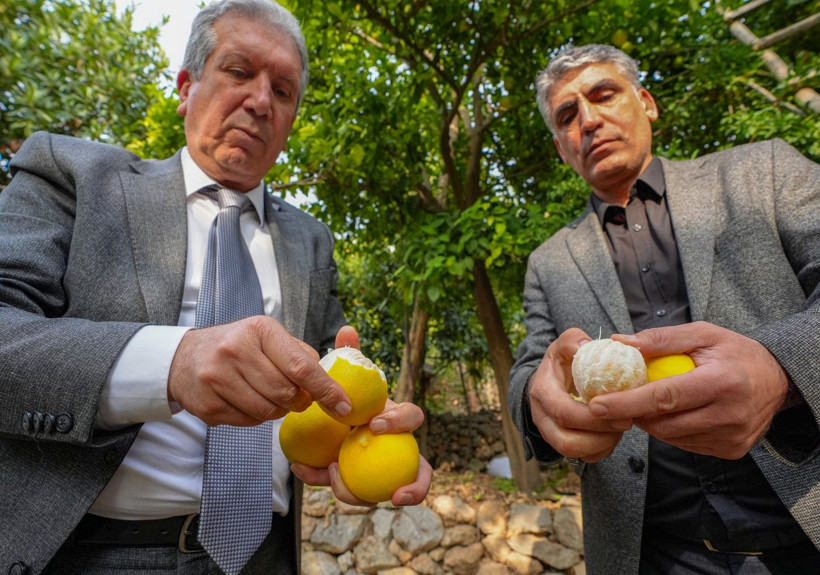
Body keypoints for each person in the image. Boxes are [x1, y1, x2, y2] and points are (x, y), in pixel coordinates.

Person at [0, 1, 431, 574]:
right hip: (91, 553)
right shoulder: (73, 174)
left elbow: (334, 379)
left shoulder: (310, 239)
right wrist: (172, 363)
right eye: (237, 71)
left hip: (264, 556)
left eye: (283, 91)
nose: (259, 100)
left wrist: (376, 431)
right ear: (185, 86)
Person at [508, 44, 820, 575]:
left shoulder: (763, 170)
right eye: (567, 115)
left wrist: (782, 371)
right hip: (653, 554)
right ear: (562, 148)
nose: (588, 120)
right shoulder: (548, 262)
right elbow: (529, 369)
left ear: (646, 102)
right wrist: (537, 406)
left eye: (603, 94)